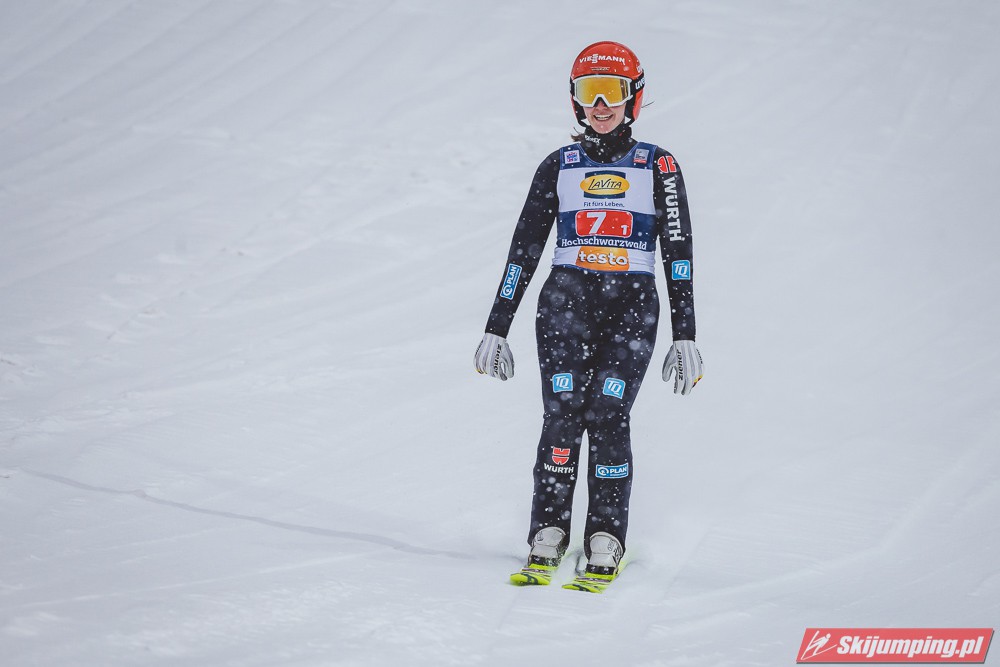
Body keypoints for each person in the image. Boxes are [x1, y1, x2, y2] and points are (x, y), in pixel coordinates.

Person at [474, 41, 704, 589]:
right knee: (561, 414)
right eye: (588, 92)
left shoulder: (658, 165)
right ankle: (548, 529)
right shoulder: (559, 165)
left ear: (633, 98)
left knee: (608, 412)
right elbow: (524, 250)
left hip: (631, 307)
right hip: (565, 304)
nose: (600, 105)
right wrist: (496, 326)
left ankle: (606, 533)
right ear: (575, 100)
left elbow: (678, 251)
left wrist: (685, 333)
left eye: (611, 92)